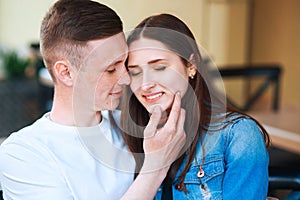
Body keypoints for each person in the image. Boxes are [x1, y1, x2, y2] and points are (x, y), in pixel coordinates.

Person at [0, 1, 186, 200]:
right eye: (111, 69)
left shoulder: (132, 128)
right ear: (66, 73)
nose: (126, 78)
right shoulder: (23, 154)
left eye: (124, 64)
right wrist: (155, 167)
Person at [121, 13, 270, 199]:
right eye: (134, 72)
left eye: (159, 68)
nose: (145, 84)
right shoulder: (124, 135)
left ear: (191, 65)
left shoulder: (238, 135)